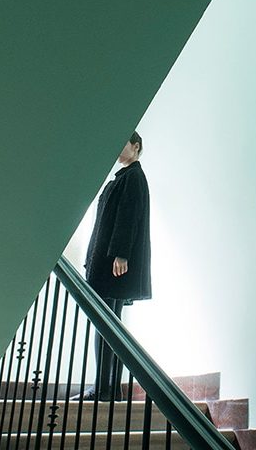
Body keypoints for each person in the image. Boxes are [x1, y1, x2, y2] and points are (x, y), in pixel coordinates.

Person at [78, 131, 152, 401]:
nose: (117, 148)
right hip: (107, 264)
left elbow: (128, 218)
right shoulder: (124, 177)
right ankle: (108, 389)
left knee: (106, 326)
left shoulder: (133, 177)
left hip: (112, 266)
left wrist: (121, 254)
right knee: (109, 326)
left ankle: (103, 389)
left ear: (136, 146)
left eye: (124, 143)